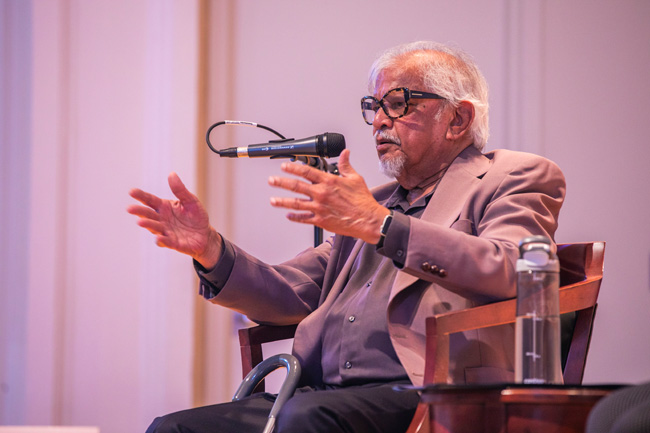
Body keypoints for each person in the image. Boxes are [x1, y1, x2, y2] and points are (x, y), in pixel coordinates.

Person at [128, 41, 566, 433]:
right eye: (373, 106)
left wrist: (384, 227)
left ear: (458, 118)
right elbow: (289, 292)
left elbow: (516, 269)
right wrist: (211, 252)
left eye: (398, 103)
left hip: (429, 392)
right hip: (320, 393)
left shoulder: (513, 176)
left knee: (306, 420)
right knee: (174, 428)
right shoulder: (373, 201)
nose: (378, 121)